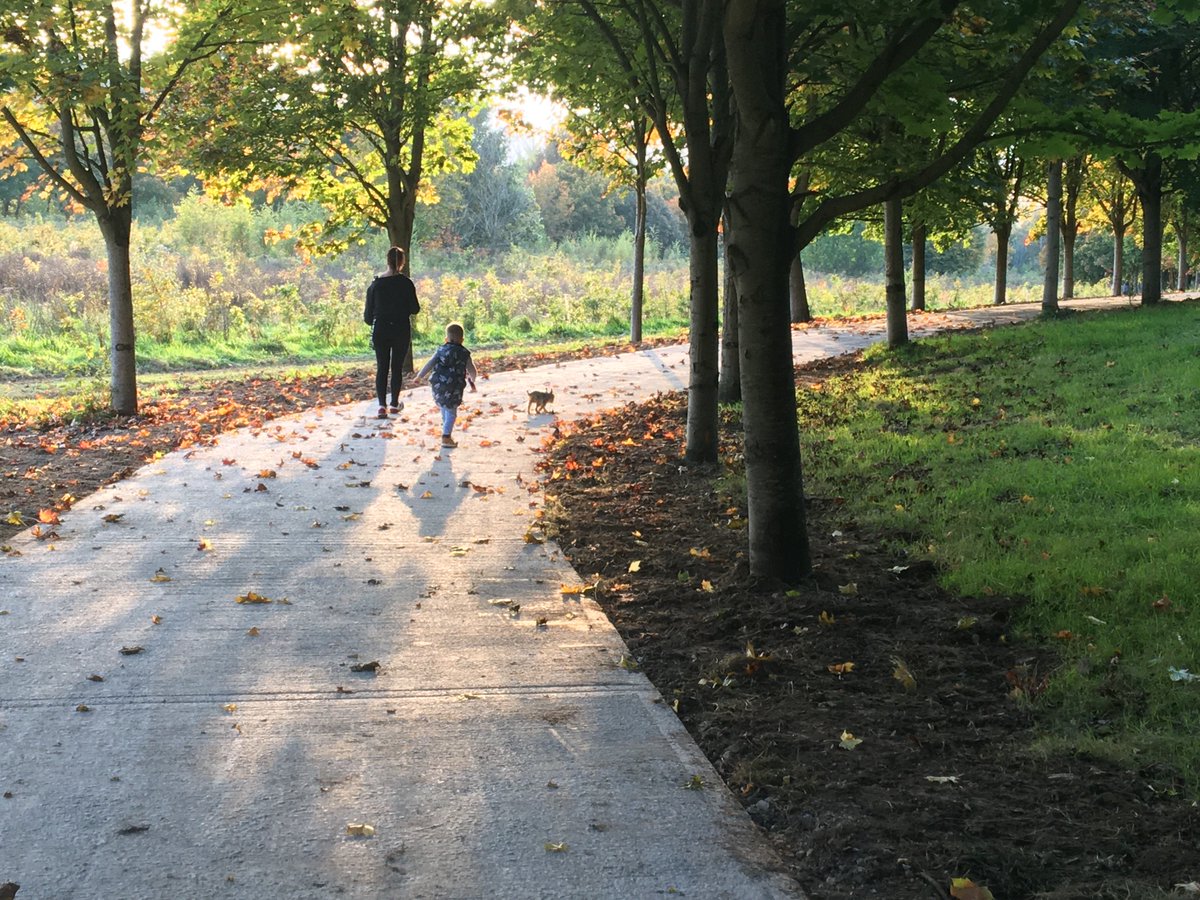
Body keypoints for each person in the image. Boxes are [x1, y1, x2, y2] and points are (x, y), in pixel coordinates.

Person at [364, 246, 420, 419]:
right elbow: (415, 308)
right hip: (401, 328)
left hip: (381, 329)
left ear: (386, 261)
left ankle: (381, 406)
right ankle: (394, 404)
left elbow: (367, 317)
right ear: (402, 263)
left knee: (382, 367)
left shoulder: (375, 285)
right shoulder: (406, 283)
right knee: (396, 368)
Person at [415, 323, 477, 448]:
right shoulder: (464, 353)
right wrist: (473, 378)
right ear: (462, 339)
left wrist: (419, 376)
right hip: (454, 387)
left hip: (438, 385)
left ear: (446, 339)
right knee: (452, 412)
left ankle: (446, 430)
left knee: (444, 407)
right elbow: (472, 369)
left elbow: (429, 364)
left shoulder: (440, 350)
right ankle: (446, 437)